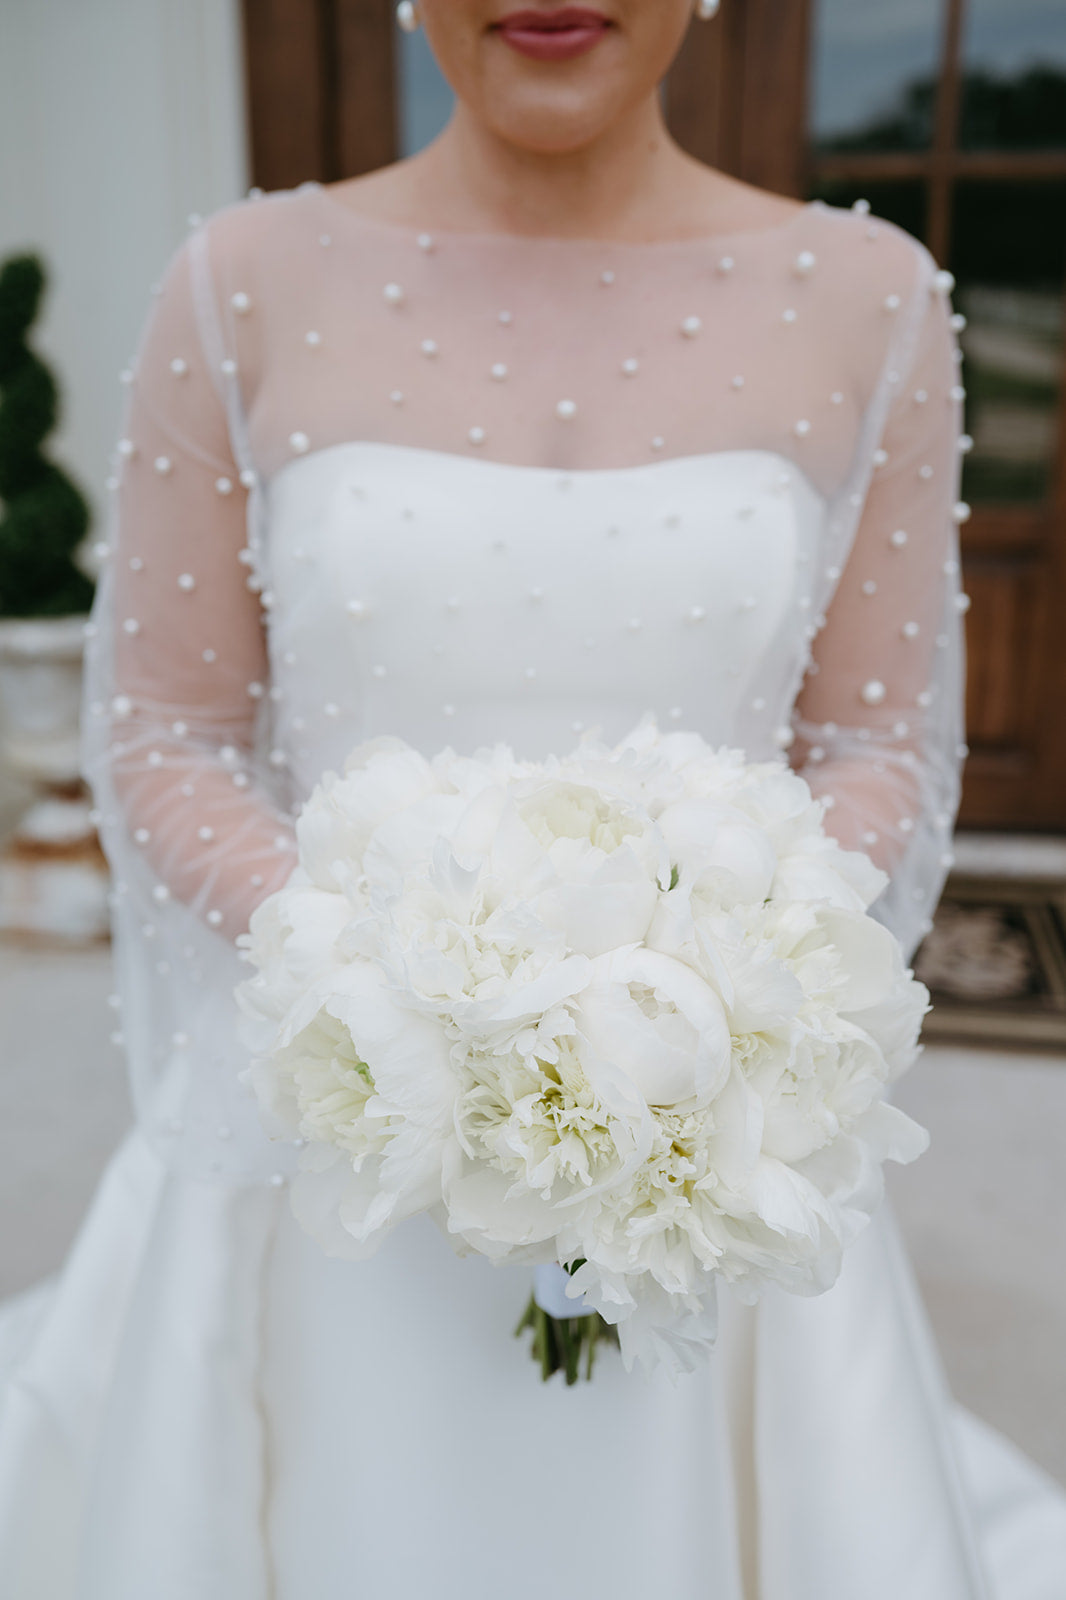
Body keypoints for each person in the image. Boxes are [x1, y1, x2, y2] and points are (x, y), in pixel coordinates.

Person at [1, 1, 1065, 1594]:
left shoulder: (872, 299)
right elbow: (168, 727)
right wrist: (397, 991)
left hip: (699, 1111)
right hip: (336, 1123)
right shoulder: (238, 284)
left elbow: (875, 749)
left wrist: (702, 999)